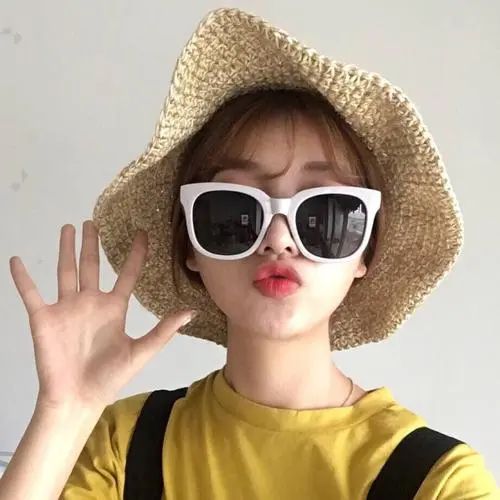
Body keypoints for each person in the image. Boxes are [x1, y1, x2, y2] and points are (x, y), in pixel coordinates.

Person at [1, 7, 498, 500]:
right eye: (234, 211)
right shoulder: (122, 447)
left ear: (364, 251)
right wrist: (65, 409)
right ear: (190, 246)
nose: (278, 239)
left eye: (322, 213)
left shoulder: (439, 481)